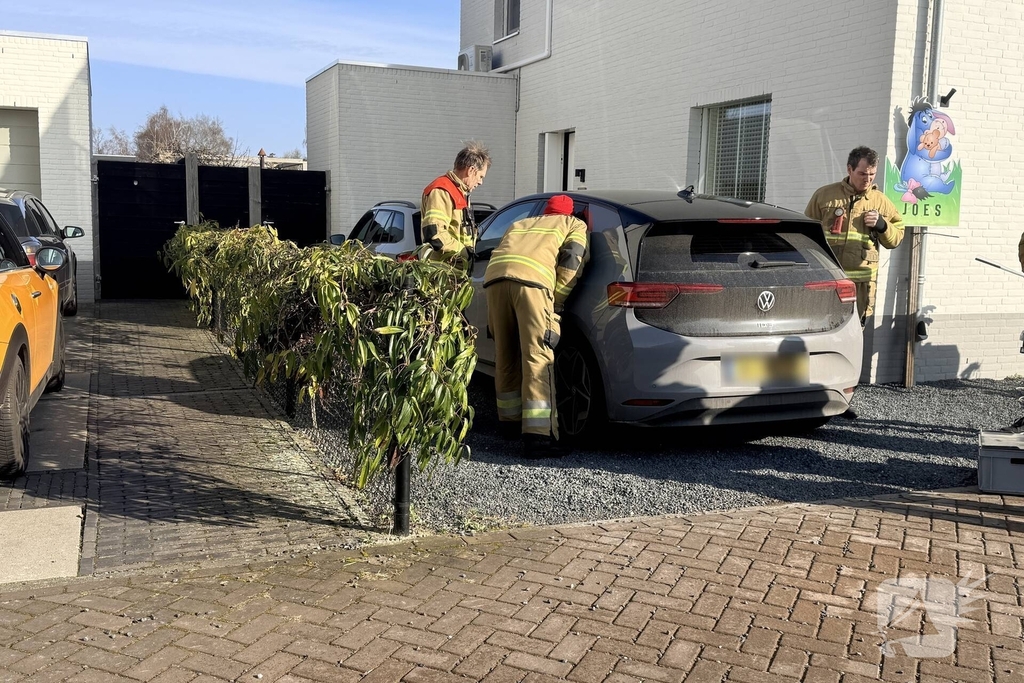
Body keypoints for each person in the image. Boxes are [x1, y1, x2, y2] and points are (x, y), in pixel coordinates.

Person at [483, 195, 589, 459]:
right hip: (532, 285)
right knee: (537, 357)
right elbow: (572, 261)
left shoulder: (521, 223)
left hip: (494, 282)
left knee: (506, 354)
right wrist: (557, 302)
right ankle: (539, 437)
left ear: (547, 210)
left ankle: (510, 423)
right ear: (569, 213)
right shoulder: (573, 224)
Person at [805, 146, 905, 323]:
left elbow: (897, 238)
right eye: (862, 174)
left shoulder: (881, 202)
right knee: (822, 327)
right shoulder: (824, 196)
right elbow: (806, 233)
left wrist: (882, 225)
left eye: (872, 174)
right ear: (849, 169)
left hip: (861, 284)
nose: (868, 179)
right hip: (828, 278)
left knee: (856, 331)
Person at [419, 142, 491, 268]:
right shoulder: (442, 190)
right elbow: (435, 234)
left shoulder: (459, 192)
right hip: (443, 271)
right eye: (480, 176)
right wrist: (465, 253)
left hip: (453, 270)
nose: (480, 182)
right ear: (471, 171)